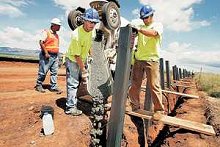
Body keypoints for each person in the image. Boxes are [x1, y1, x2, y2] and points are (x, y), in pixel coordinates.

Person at [129, 5, 164, 113]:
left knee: (154, 85)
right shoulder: (140, 26)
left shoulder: (157, 25)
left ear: (151, 15)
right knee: (135, 84)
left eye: (146, 18)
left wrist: (139, 29)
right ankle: (134, 106)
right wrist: (132, 33)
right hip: (139, 59)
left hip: (152, 59)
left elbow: (153, 34)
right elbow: (133, 32)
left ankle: (159, 110)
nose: (144, 20)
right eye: (143, 18)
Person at [65, 8, 99, 116]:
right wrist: (83, 69)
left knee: (79, 81)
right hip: (73, 60)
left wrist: (91, 55)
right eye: (90, 22)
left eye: (94, 23)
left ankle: (74, 100)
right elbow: (76, 55)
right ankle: (70, 108)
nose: (92, 25)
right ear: (84, 20)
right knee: (73, 83)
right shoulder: (76, 35)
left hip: (82, 59)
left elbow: (89, 44)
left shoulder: (92, 31)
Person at [35, 18, 62, 94]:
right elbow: (41, 42)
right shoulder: (46, 32)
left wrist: (58, 56)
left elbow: (55, 46)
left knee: (54, 72)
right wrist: (46, 53)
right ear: (53, 25)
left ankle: (54, 87)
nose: (60, 27)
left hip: (55, 56)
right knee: (43, 71)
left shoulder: (56, 35)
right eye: (58, 26)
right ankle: (38, 85)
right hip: (46, 55)